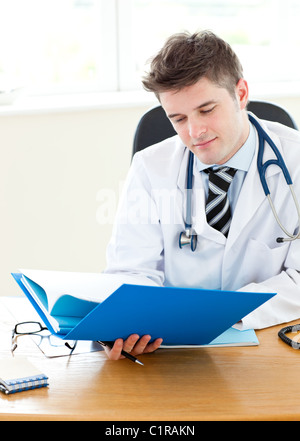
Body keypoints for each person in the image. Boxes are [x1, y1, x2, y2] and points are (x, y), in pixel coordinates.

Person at [103, 30, 300, 360]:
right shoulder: (151, 167)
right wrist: (130, 322)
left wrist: (227, 314)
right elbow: (132, 271)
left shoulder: (295, 162)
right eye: (178, 119)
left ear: (241, 93)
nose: (194, 133)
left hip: (269, 345)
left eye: (206, 110)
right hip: (173, 352)